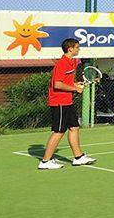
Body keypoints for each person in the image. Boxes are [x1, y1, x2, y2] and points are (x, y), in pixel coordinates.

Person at [38, 38, 97, 170]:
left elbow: (65, 82)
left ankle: (78, 157)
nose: (79, 49)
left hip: (67, 101)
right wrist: (75, 89)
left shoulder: (71, 62)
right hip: (59, 102)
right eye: (77, 47)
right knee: (59, 131)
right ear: (70, 48)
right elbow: (57, 84)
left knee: (74, 128)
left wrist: (75, 84)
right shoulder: (62, 63)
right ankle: (45, 161)